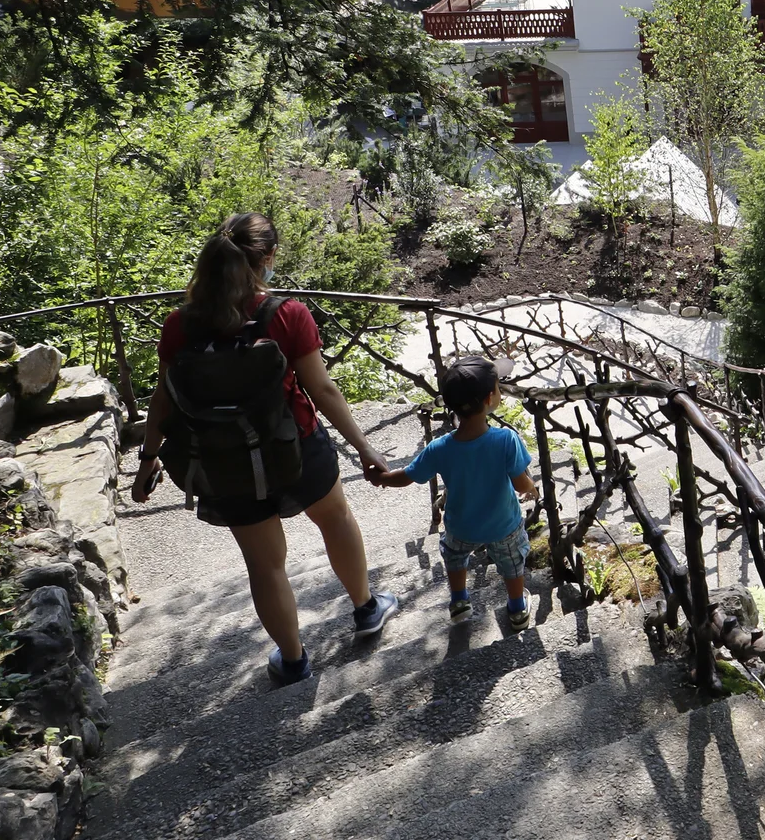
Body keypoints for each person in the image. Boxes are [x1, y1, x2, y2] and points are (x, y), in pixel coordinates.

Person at [132, 213, 400, 685]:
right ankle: (366, 609)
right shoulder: (286, 314)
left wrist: (149, 457)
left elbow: (162, 398)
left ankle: (294, 660)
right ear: (268, 260)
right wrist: (366, 447)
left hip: (224, 463)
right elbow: (323, 390)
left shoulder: (179, 326)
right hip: (294, 447)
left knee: (263, 562)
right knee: (336, 520)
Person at [369, 357, 536, 630]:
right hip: (504, 525)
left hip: (461, 527)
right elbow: (521, 484)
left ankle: (459, 602)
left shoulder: (440, 448)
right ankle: (517, 609)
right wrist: (533, 488)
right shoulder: (506, 439)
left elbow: (408, 476)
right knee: (513, 561)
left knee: (455, 557)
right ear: (490, 398)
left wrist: (381, 477)